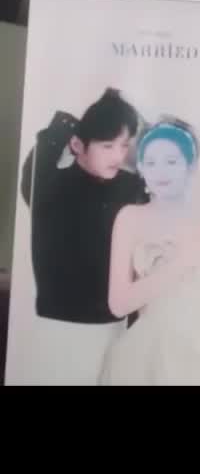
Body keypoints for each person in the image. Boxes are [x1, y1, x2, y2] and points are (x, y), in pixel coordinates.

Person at [98, 118, 200, 385]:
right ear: (141, 170)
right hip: (147, 353)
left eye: (171, 161)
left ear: (190, 166)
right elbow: (119, 304)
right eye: (150, 163)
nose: (160, 172)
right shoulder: (130, 217)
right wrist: (183, 262)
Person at [19, 89, 149, 384]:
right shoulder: (49, 187)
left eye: (124, 145)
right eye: (107, 146)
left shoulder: (131, 186)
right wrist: (76, 119)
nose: (118, 155)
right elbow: (48, 143)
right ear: (78, 145)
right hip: (59, 325)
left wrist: (120, 108)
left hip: (116, 326)